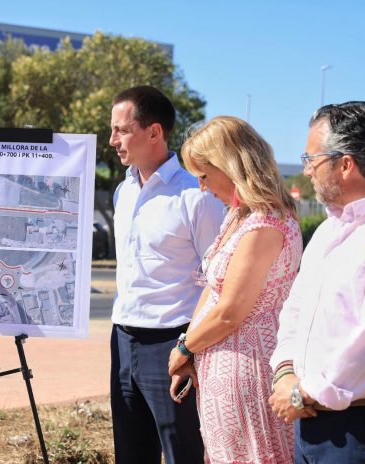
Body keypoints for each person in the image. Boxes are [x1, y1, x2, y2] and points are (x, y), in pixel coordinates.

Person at [167, 116, 302, 463]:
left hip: (250, 364)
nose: (201, 187)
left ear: (230, 167)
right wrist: (191, 346)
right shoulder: (240, 216)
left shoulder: (265, 223)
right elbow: (213, 289)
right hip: (222, 364)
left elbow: (231, 312)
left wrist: (185, 348)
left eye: (204, 175)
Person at [109, 85, 226, 463]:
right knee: (130, 452)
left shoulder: (197, 193)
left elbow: (218, 277)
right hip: (122, 339)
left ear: (154, 132)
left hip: (174, 344)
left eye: (121, 130)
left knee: (183, 454)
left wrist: (190, 348)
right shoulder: (122, 192)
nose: (112, 140)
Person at [269, 101, 365, 463]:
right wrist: (286, 372)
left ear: (346, 163)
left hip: (359, 429)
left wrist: (303, 394)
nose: (307, 171)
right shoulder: (327, 231)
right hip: (309, 419)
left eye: (311, 159)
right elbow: (295, 308)